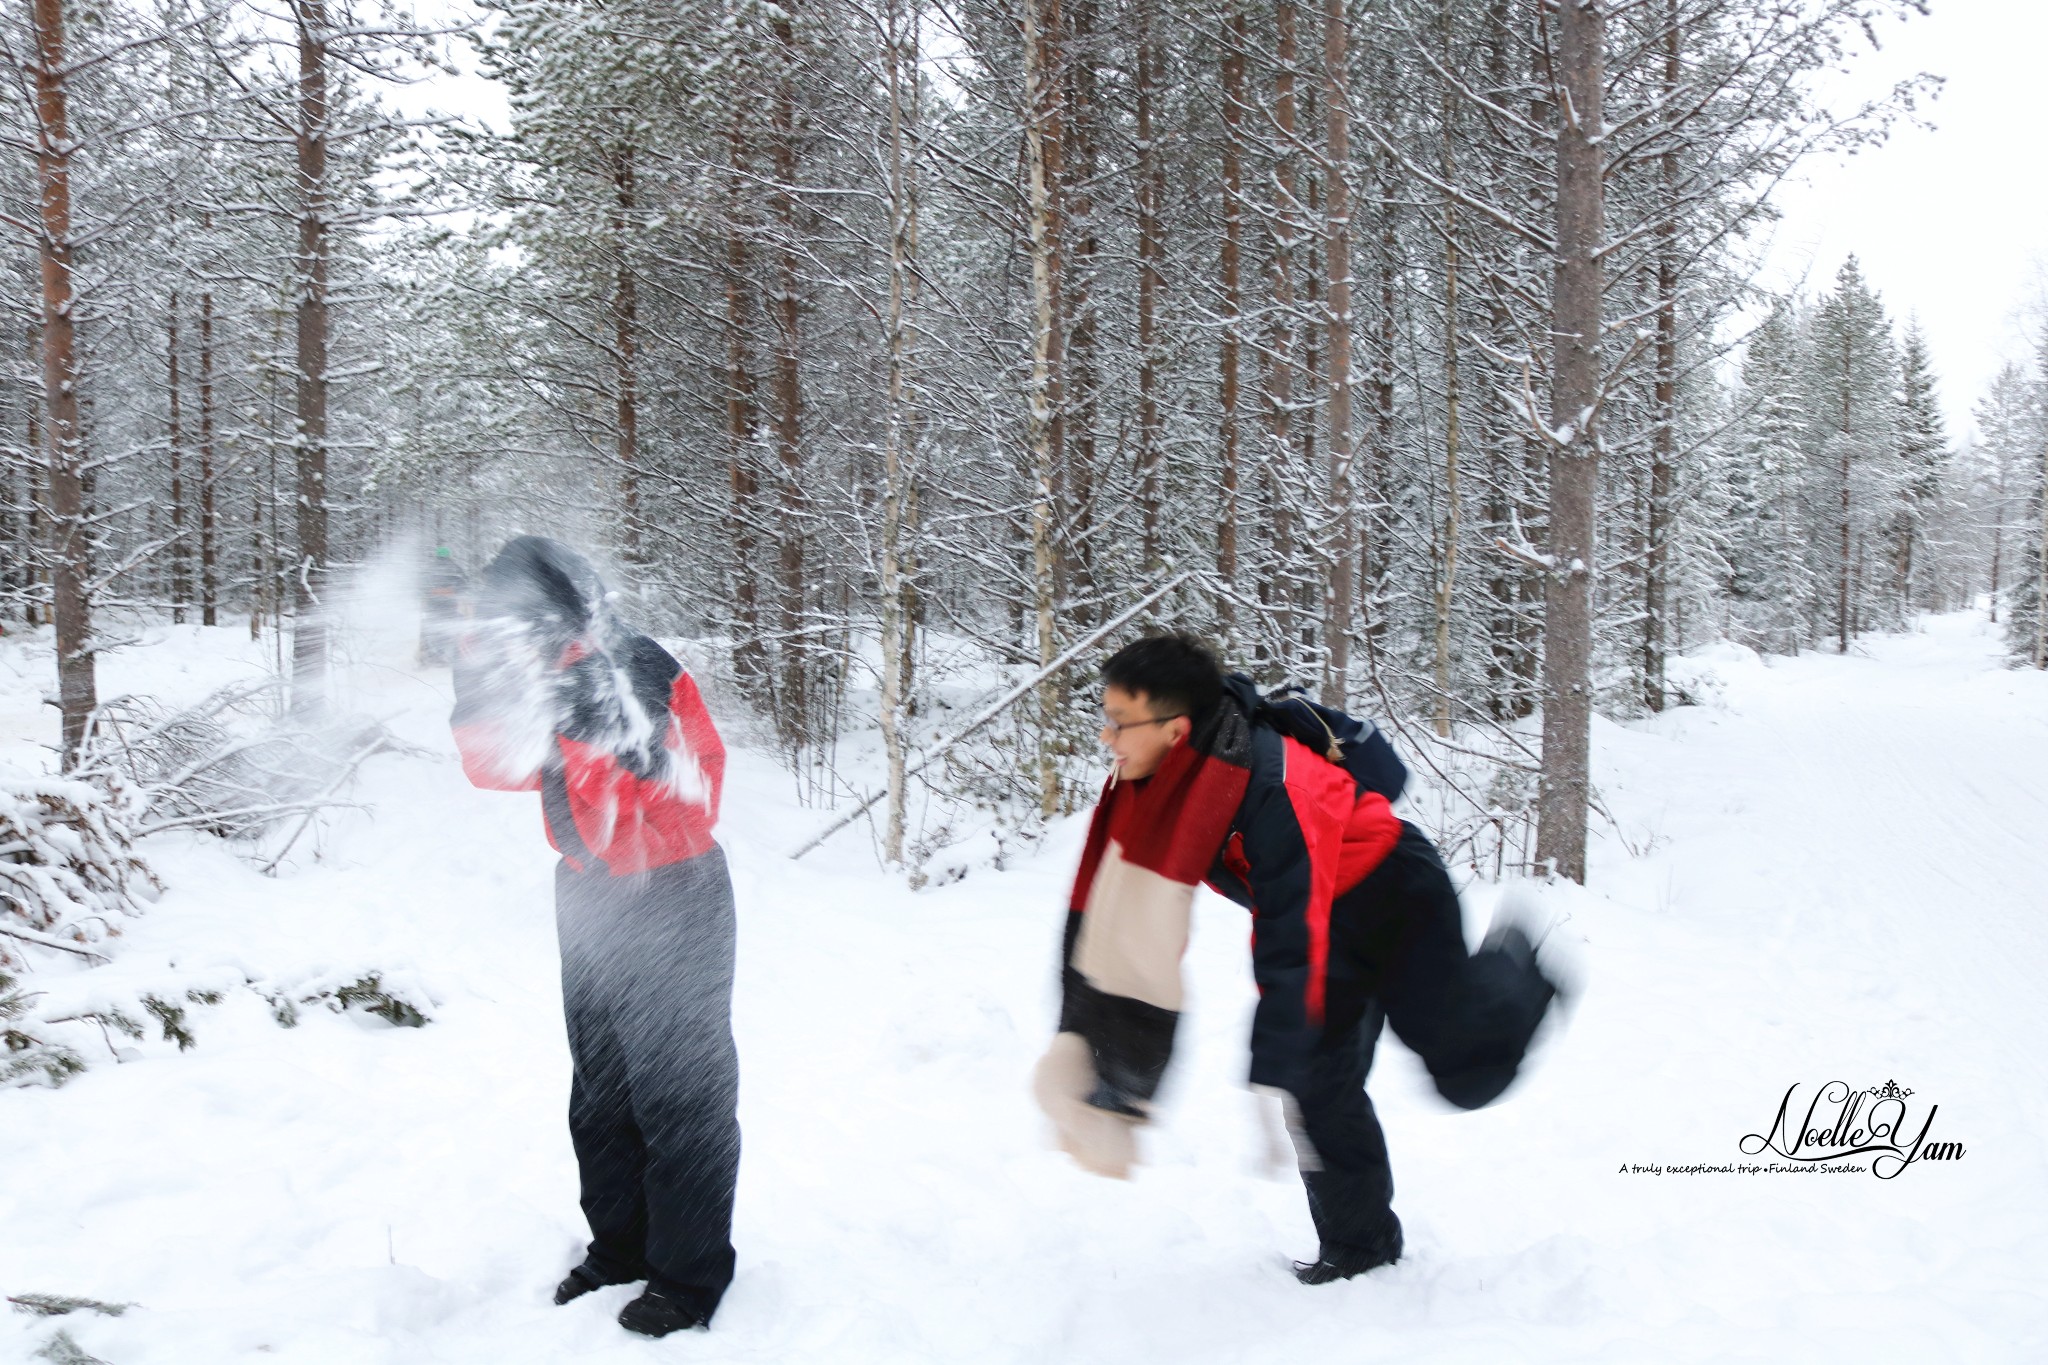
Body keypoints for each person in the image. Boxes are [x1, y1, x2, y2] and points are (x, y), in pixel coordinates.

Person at [1035, 632, 1559, 1284]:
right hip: (1320, 918)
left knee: (1465, 1075)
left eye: (1120, 722)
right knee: (1318, 1085)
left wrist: (1275, 1038)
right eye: (1104, 718)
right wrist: (1107, 1029)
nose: (1107, 738)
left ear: (1176, 729)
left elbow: (1291, 922)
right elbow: (1127, 911)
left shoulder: (1273, 781)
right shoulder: (1165, 790)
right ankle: (1361, 1249)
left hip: (1397, 897)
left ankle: (1517, 965)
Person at [450, 536, 739, 1337]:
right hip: (586, 896)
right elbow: (488, 764)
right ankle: (622, 1247)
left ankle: (688, 1276)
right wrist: (477, 670)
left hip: (671, 889)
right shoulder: (541, 673)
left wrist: (591, 717)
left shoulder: (630, 666)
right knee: (601, 1091)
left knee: (680, 1096)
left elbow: (685, 797)